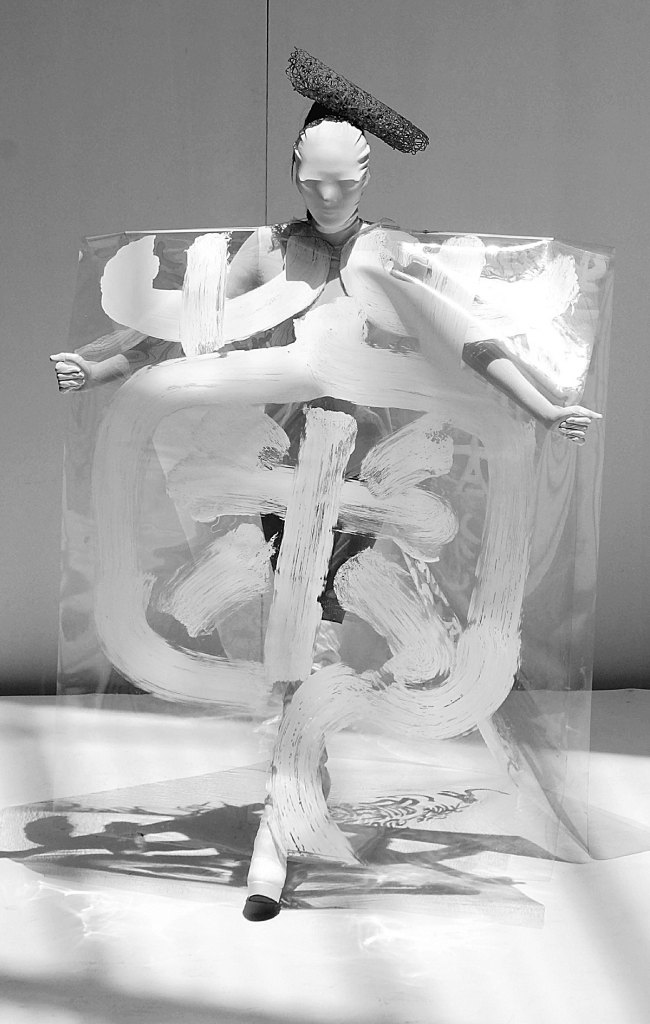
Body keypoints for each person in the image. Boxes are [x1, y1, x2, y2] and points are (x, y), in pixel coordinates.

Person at [51, 49, 601, 920]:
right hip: (275, 466)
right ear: (295, 172)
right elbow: (187, 327)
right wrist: (99, 365)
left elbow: (466, 336)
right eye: (315, 182)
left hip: (365, 472)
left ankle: (288, 809)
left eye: (345, 183)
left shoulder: (391, 254)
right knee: (291, 640)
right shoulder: (269, 251)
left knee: (319, 637)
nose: (330, 197)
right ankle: (286, 810)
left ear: (367, 175)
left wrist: (542, 405)